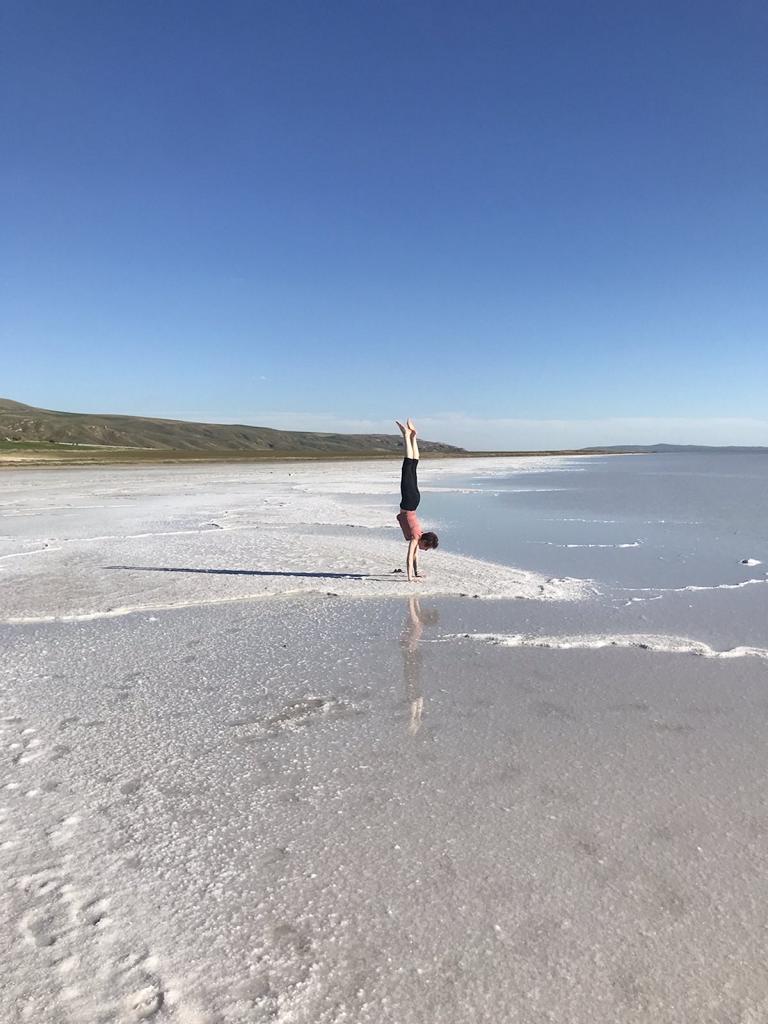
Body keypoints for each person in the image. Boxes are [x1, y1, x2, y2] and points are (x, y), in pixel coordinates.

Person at [395, 418, 439, 581]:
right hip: (408, 502)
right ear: (424, 541)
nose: (425, 550)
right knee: (408, 466)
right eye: (426, 548)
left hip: (415, 501)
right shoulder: (415, 537)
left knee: (413, 467)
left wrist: (416, 572)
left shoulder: (419, 534)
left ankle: (413, 436)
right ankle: (407, 436)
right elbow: (409, 557)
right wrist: (410, 577)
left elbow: (414, 556)